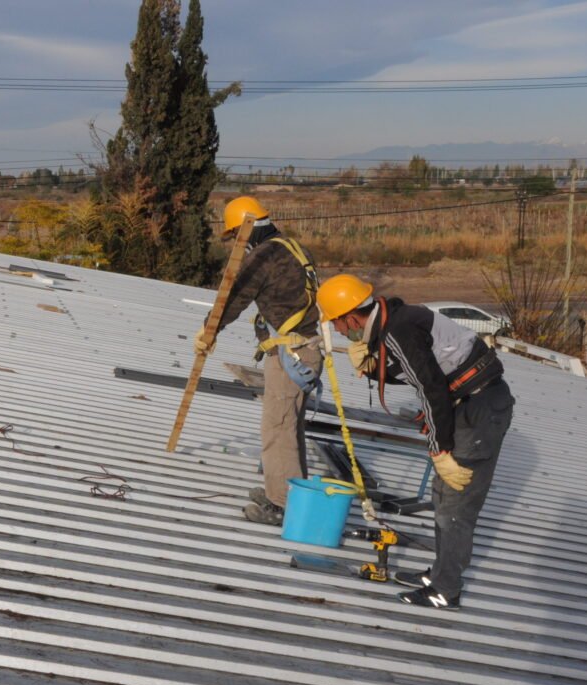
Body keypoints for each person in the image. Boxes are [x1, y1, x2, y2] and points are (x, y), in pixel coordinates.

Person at [316, 273, 515, 610]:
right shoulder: (397, 320)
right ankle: (439, 574)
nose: (337, 331)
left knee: (455, 508)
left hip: (478, 411)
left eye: (335, 323)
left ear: (351, 317)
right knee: (443, 497)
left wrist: (439, 450)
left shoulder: (398, 330)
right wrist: (375, 367)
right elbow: (421, 371)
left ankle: (445, 590)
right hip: (472, 405)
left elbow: (430, 389)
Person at [195, 196, 323, 525]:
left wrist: (209, 330)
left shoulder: (263, 256)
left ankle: (282, 505)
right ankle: (283, 491)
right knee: (287, 426)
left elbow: (233, 297)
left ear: (245, 230)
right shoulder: (291, 246)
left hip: (292, 354)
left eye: (235, 236)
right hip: (303, 351)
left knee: (277, 428)